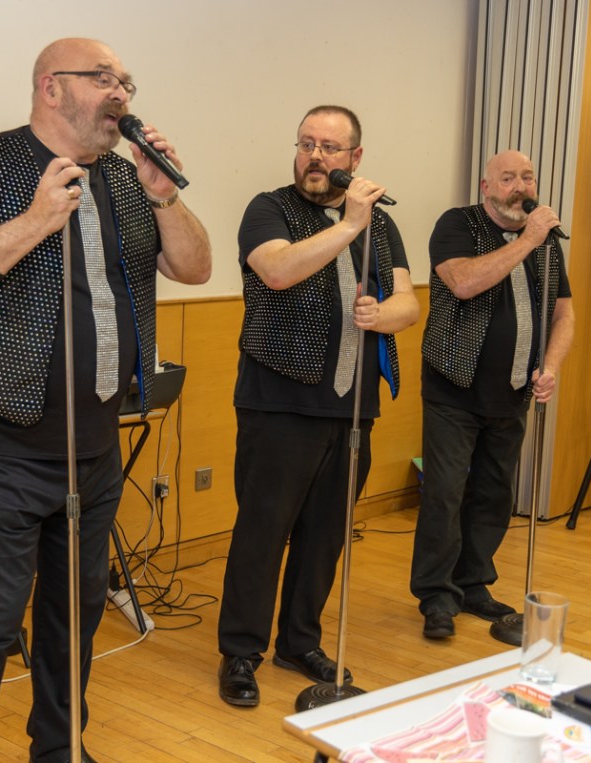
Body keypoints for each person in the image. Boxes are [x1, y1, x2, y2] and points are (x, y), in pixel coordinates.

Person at [0, 38, 211, 762]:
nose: (121, 92)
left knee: (73, 619)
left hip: (96, 449)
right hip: (1, 451)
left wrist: (165, 195)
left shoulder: (128, 180)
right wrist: (34, 221)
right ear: (51, 88)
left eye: (126, 81)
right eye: (103, 78)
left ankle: (59, 750)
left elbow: (195, 268)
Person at [217, 105, 420, 707]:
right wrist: (349, 224)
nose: (315, 156)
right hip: (280, 401)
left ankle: (298, 641)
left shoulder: (381, 224)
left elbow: (408, 302)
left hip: (353, 405)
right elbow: (278, 271)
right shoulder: (269, 208)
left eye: (330, 148)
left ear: (355, 158)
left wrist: (385, 313)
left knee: (326, 534)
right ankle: (241, 651)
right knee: (263, 532)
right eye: (306, 144)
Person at [410, 150, 574, 640]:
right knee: (444, 494)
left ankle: (473, 583)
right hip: (454, 389)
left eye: (527, 177)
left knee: (494, 494)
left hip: (514, 391)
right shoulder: (458, 224)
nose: (520, 187)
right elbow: (463, 283)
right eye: (508, 178)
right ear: (486, 187)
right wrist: (527, 240)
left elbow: (564, 314)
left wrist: (551, 366)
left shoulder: (547, 244)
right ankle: (437, 596)